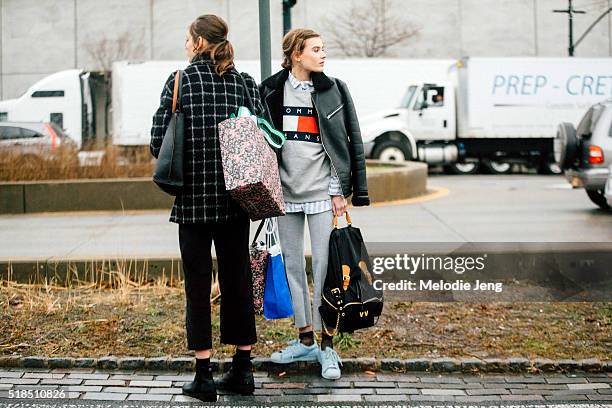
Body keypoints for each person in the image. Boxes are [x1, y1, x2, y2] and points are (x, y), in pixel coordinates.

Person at [150, 14, 265, 402]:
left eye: (187, 39)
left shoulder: (180, 81)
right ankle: (243, 369)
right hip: (236, 202)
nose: (186, 45)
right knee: (237, 282)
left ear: (199, 42)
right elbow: (264, 137)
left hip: (193, 205)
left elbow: (157, 142)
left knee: (198, 287)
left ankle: (203, 375)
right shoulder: (245, 83)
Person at [259, 28, 370, 380]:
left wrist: (340, 190)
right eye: (316, 50)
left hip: (322, 194)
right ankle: (304, 339)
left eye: (323, 49)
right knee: (293, 268)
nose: (322, 56)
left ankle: (327, 346)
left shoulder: (333, 88)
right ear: (296, 54)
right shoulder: (272, 89)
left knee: (325, 271)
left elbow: (348, 139)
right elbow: (262, 141)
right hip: (284, 195)